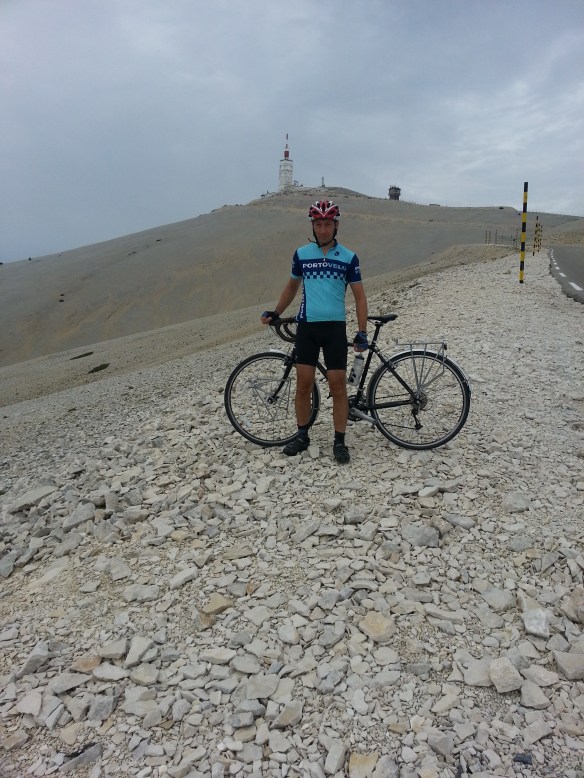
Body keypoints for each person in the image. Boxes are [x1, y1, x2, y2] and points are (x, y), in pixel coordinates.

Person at [261, 199, 369, 464]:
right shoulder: (302, 254)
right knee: (303, 385)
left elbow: (360, 297)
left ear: (336, 226)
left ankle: (340, 441)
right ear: (313, 225)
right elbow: (291, 287)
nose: (323, 229)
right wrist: (276, 311)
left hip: (334, 328)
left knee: (338, 387)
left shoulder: (348, 257)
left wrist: (362, 331)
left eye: (328, 224)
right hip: (307, 327)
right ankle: (302, 435)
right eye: (319, 224)